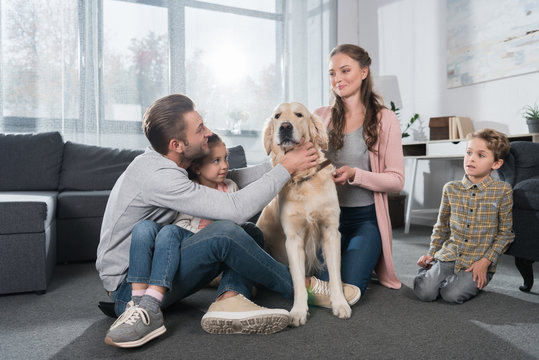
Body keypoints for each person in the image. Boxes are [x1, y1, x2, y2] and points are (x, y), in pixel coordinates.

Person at [97, 94, 359, 348]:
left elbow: (228, 178)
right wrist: (286, 168)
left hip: (161, 265)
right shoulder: (157, 176)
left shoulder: (170, 161)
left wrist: (284, 162)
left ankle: (229, 298)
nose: (208, 132)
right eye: (200, 128)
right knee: (226, 230)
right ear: (177, 144)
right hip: (133, 290)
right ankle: (303, 287)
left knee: (250, 233)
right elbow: (233, 209)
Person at [313, 44, 404, 296]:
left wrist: (355, 175)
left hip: (366, 219)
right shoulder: (320, 117)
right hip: (327, 217)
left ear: (364, 72)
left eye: (345, 70)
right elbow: (305, 160)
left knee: (349, 287)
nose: (337, 79)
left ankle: (361, 255)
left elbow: (396, 181)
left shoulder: (385, 119)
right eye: (332, 73)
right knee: (321, 284)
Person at [413, 128, 514, 304]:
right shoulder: (451, 189)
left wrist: (485, 261)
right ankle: (431, 271)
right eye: (468, 153)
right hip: (450, 254)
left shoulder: (503, 191)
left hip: (478, 261)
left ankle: (451, 280)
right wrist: (432, 254)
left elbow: (506, 233)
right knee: (425, 293)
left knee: (451, 295)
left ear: (496, 164)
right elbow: (441, 227)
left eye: (481, 155)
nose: (471, 158)